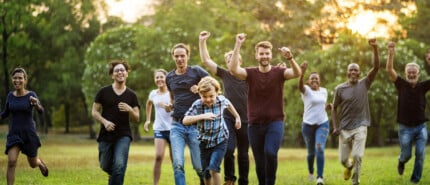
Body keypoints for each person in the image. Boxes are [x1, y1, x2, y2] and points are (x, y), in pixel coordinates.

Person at [229, 33, 301, 185]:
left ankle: (270, 182)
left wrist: (290, 58)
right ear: (256, 56)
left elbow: (297, 73)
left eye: (267, 53)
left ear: (271, 55)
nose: (264, 56)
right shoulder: (250, 73)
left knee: (270, 152)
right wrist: (238, 45)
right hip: (254, 124)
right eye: (261, 53)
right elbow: (234, 69)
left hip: (275, 122)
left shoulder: (279, 73)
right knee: (260, 161)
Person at [199, 31, 250, 185]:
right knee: (228, 150)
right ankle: (229, 179)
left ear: (239, 60)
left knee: (243, 154)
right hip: (228, 118)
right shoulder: (225, 75)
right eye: (227, 60)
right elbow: (206, 60)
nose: (230, 62)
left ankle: (244, 181)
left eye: (233, 59)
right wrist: (202, 42)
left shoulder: (248, 76)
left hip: (247, 120)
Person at [331, 38, 379, 185]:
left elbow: (376, 67)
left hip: (360, 126)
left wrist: (375, 48)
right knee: (343, 160)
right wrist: (335, 127)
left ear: (359, 73)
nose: (353, 72)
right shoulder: (340, 89)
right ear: (347, 72)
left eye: (356, 70)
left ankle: (355, 181)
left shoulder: (365, 83)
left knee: (358, 155)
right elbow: (333, 107)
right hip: (344, 128)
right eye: (351, 69)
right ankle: (349, 167)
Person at [183, 76, 241, 185]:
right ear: (199, 94)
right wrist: (202, 116)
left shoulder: (221, 100)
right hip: (204, 143)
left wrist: (237, 117)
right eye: (204, 96)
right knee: (206, 173)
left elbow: (229, 104)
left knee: (214, 168)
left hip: (220, 140)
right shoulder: (197, 105)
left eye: (211, 96)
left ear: (217, 92)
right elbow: (185, 120)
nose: (208, 99)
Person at [91, 60, 140, 185]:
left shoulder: (131, 95)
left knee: (119, 165)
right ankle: (112, 176)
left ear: (127, 73)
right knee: (105, 165)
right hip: (105, 134)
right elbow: (94, 111)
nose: (120, 72)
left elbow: (137, 118)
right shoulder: (103, 92)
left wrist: (130, 110)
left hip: (123, 135)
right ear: (112, 75)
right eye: (116, 70)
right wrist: (104, 122)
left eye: (122, 70)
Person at [386, 41, 429, 184]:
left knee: (421, 154)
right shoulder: (401, 84)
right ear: (406, 73)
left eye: (414, 72)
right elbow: (389, 70)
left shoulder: (423, 86)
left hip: (421, 126)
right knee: (406, 154)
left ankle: (414, 180)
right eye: (409, 72)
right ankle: (401, 161)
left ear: (418, 73)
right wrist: (391, 53)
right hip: (405, 128)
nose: (411, 74)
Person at [166, 43, 208, 185]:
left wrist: (200, 88)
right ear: (173, 57)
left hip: (195, 126)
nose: (180, 59)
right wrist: (172, 105)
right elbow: (173, 96)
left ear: (188, 56)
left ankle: (204, 180)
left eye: (182, 56)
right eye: (176, 56)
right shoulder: (169, 77)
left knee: (199, 166)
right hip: (176, 125)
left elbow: (214, 86)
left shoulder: (196, 71)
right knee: (177, 164)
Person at [1, 68, 48, 185]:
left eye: (20, 78)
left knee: (32, 164)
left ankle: (39, 163)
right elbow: (5, 113)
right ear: (12, 79)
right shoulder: (10, 96)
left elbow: (41, 111)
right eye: (15, 78)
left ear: (25, 80)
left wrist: (36, 104)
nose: (17, 80)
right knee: (11, 162)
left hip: (29, 134)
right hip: (14, 134)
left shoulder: (31, 95)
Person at [298, 62, 330, 185]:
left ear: (320, 81)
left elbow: (321, 105)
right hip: (308, 125)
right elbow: (300, 85)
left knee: (319, 148)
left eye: (317, 78)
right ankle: (311, 172)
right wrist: (302, 73)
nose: (315, 80)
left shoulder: (324, 91)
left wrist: (327, 106)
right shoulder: (305, 90)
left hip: (322, 123)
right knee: (311, 153)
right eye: (312, 79)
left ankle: (320, 177)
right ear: (308, 81)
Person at [143, 69, 173, 185]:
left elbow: (173, 108)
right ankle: (155, 184)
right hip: (159, 128)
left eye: (161, 77)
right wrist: (148, 120)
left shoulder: (171, 92)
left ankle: (179, 181)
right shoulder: (153, 93)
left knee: (175, 160)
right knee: (158, 156)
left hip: (173, 129)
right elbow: (149, 103)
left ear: (166, 78)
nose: (159, 79)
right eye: (157, 77)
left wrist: (168, 107)